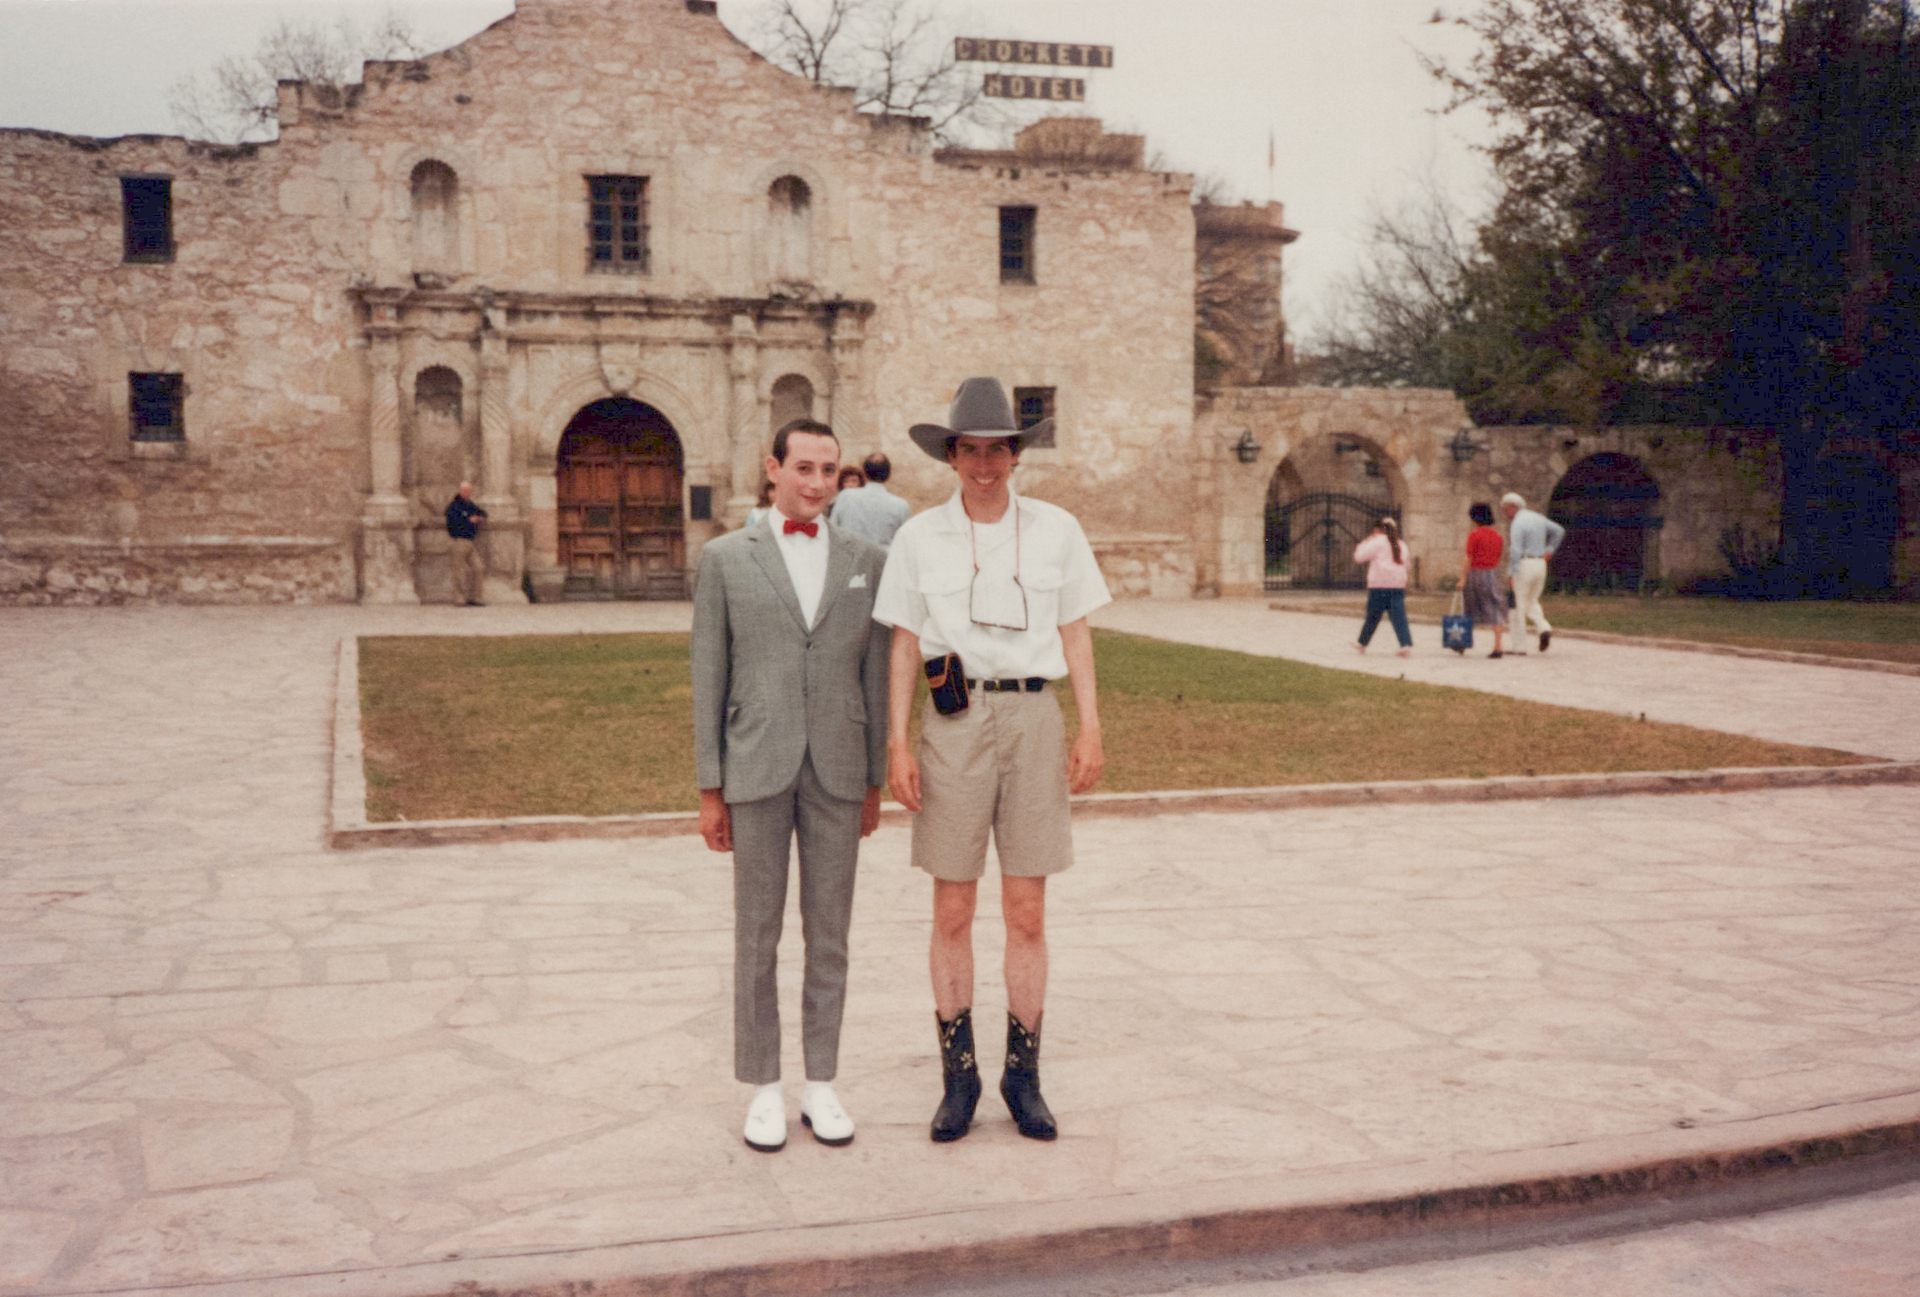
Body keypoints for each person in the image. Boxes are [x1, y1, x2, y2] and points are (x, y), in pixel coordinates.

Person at [873, 377, 1110, 1145]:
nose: (984, 465)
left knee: (1027, 909)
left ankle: (1023, 1073)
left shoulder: (1057, 530)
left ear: (1017, 453)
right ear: (951, 455)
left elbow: (1075, 631)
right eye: (969, 451)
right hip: (955, 720)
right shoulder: (917, 538)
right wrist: (899, 741)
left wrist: (1090, 727)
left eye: (997, 450)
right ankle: (958, 1076)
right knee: (952, 906)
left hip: (1034, 715)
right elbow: (906, 642)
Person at [691, 418, 890, 1154]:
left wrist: (873, 779)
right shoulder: (724, 559)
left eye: (829, 469)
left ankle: (822, 1082)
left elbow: (873, 673)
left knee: (830, 932)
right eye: (803, 467)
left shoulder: (867, 558)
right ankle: (765, 1087)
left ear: (844, 477)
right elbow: (709, 673)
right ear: (772, 469)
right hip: (756, 762)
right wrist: (711, 786)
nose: (816, 482)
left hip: (838, 765)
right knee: (758, 933)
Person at [1501, 491, 1566, 653]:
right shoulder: (1537, 518)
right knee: (1532, 599)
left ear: (1513, 507)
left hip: (1524, 564)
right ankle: (1543, 627)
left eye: (1505, 510)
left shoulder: (1517, 523)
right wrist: (1550, 548)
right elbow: (1558, 530)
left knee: (1517, 606)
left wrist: (1511, 572)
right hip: (1540, 563)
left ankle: (1519, 646)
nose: (1505, 514)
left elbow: (1515, 550)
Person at [1351, 517, 1413, 656]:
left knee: (1372, 615)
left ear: (1377, 529)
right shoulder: (1401, 544)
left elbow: (1359, 557)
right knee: (1399, 616)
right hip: (1397, 584)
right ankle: (1405, 644)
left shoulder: (1376, 542)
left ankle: (1362, 643)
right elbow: (1407, 564)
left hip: (1379, 585)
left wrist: (1365, 542)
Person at [830, 452, 914, 550]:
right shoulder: (901, 506)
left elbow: (832, 530)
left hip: (851, 560)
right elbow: (906, 542)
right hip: (884, 562)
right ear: (888, 475)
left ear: (864, 473)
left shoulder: (846, 496)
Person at [1460, 502, 1508, 658]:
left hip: (1476, 573)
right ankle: (1498, 645)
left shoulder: (1474, 534)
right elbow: (1499, 556)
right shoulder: (1498, 536)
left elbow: (1468, 557)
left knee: (1470, 607)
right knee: (1495, 607)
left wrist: (1462, 578)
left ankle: (1463, 641)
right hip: (1493, 573)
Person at [444, 481, 488, 606]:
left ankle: (476, 597)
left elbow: (483, 513)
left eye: (469, 491)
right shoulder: (454, 506)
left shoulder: (470, 505)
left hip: (470, 541)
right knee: (459, 571)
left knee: (478, 567)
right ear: (459, 491)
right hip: (458, 541)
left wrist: (478, 518)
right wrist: (468, 520)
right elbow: (453, 523)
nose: (468, 493)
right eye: (465, 491)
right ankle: (459, 597)